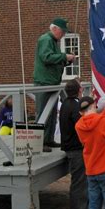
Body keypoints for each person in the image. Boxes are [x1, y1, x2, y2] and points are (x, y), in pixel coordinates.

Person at [33, 18, 75, 152]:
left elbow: (53, 60)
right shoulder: (46, 39)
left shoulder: (53, 41)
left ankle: (49, 139)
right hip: (44, 82)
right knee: (43, 112)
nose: (63, 34)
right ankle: (40, 143)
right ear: (55, 29)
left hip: (52, 82)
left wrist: (66, 60)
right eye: (62, 31)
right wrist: (64, 57)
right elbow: (46, 57)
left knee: (51, 113)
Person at [59, 79, 87, 209]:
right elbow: (82, 127)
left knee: (79, 183)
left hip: (69, 147)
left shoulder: (65, 103)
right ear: (79, 90)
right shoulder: (76, 107)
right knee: (79, 184)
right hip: (76, 149)